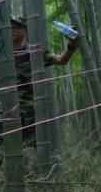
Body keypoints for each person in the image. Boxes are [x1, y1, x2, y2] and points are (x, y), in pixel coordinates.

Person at [10, 17, 78, 145]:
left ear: (24, 30)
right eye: (10, 28)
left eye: (15, 27)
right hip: (8, 107)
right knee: (4, 144)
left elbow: (61, 60)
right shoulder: (4, 52)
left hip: (29, 108)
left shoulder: (35, 51)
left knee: (31, 145)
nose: (12, 30)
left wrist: (71, 45)